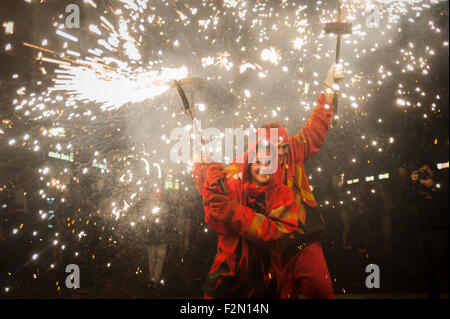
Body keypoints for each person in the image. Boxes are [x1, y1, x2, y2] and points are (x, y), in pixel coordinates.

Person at [200, 141, 299, 298]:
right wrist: (211, 186)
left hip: (265, 277)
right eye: (257, 162)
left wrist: (235, 212)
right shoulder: (234, 187)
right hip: (226, 273)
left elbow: (277, 232)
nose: (263, 167)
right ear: (248, 165)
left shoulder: (284, 195)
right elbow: (215, 219)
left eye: (268, 162)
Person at [409, 160, 448, 299]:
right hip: (424, 231)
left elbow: (444, 203)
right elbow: (408, 202)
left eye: (426, 171)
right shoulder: (417, 188)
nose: (423, 174)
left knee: (444, 263)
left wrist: (432, 187)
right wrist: (413, 183)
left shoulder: (442, 184)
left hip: (440, 230)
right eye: (420, 172)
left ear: (432, 172)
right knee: (429, 267)